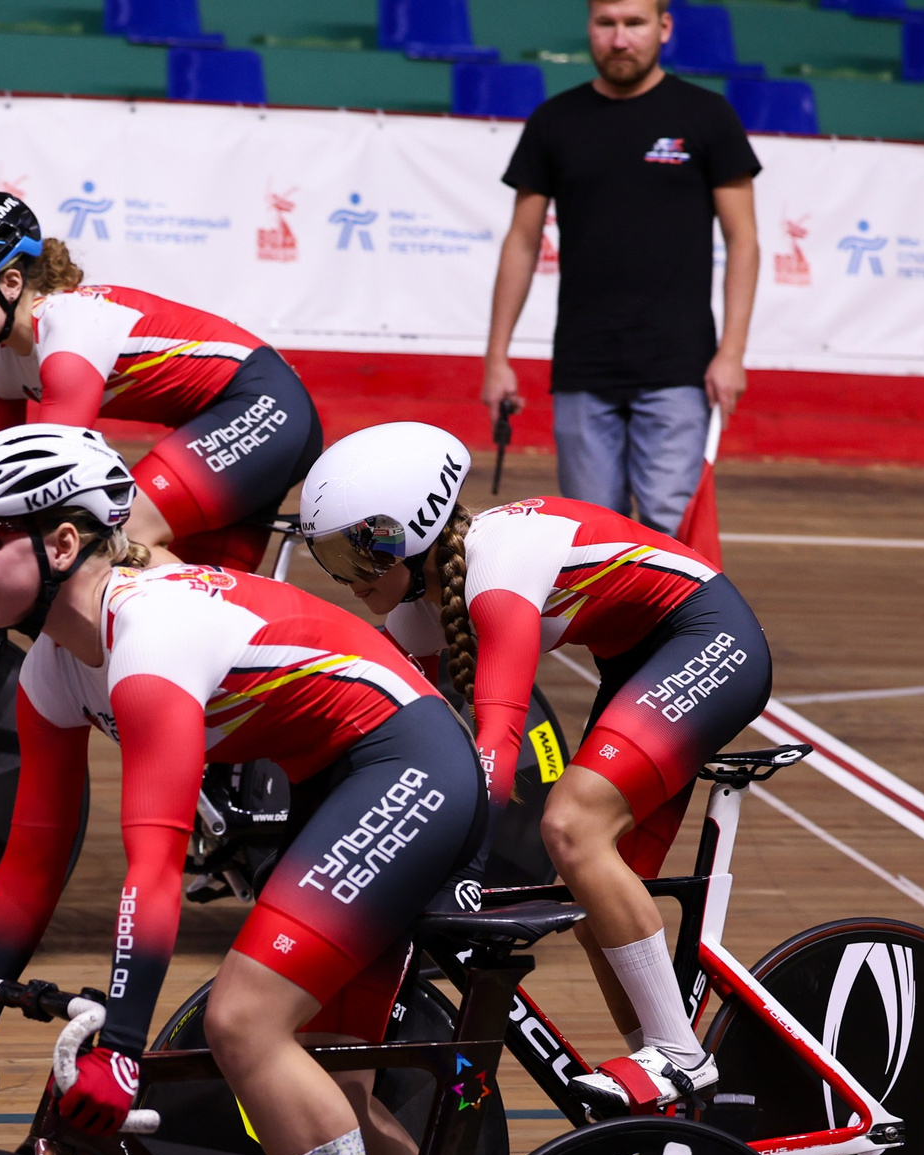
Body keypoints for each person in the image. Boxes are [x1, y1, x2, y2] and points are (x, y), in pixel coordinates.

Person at [0, 423, 487, 1155]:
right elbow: (35, 855)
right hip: (341, 781)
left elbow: (153, 859)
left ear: (57, 545)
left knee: (242, 1022)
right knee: (327, 1089)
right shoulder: (55, 665)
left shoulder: (151, 634)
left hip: (406, 764)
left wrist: (123, 1042)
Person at [297, 420, 773, 1114]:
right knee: (594, 912)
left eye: (361, 552)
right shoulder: (417, 612)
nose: (346, 577)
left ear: (417, 530)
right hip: (644, 661)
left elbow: (496, 745)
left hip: (711, 639)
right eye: (329, 557)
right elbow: (406, 752)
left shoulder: (497, 575)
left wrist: (459, 871)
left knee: (573, 826)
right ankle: (671, 1101)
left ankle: (678, 1055)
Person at [0, 191, 324, 612]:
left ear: (10, 283)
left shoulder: (70, 325)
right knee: (208, 596)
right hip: (223, 427)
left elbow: (59, 469)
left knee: (119, 537)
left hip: (266, 407)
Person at [478, 0, 760, 537]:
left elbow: (743, 240)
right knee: (593, 541)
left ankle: (678, 627)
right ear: (590, 27)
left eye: (635, 23)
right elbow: (521, 240)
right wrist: (497, 358)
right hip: (584, 368)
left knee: (670, 536)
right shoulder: (554, 121)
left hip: (680, 368)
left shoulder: (707, 116)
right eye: (606, 23)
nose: (620, 39)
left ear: (664, 27)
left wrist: (732, 353)